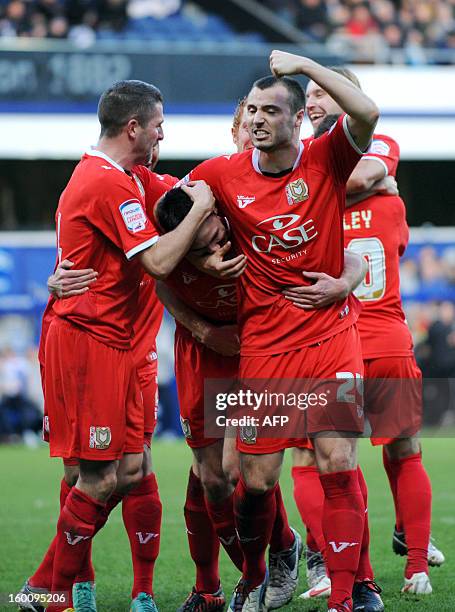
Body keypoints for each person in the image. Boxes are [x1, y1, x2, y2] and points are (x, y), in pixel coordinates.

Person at [182, 50, 379, 612]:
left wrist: (306, 66)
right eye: (251, 109)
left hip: (329, 336)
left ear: (298, 119)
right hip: (265, 347)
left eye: (271, 109)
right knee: (256, 481)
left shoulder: (326, 157)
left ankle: (348, 594)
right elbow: (164, 220)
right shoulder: (219, 172)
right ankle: (261, 570)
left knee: (336, 462)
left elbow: (367, 113)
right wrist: (201, 263)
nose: (258, 118)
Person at [19, 79, 216, 612]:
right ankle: (51, 589)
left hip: (124, 342)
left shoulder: (129, 177)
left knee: (132, 470)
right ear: (134, 128)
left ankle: (85, 589)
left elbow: (182, 194)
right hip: (89, 341)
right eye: (157, 126)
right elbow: (155, 260)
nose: (162, 135)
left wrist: (207, 200)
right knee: (97, 475)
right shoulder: (104, 182)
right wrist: (201, 214)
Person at [290, 66, 444, 605]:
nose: (311, 101)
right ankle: (417, 564)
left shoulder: (305, 175)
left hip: (338, 343)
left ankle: (348, 573)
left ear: (346, 96)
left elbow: (339, 184)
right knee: (404, 451)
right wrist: (380, 184)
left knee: (320, 463)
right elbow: (365, 184)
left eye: (320, 93)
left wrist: (318, 198)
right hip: (389, 334)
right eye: (306, 94)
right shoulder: (388, 191)